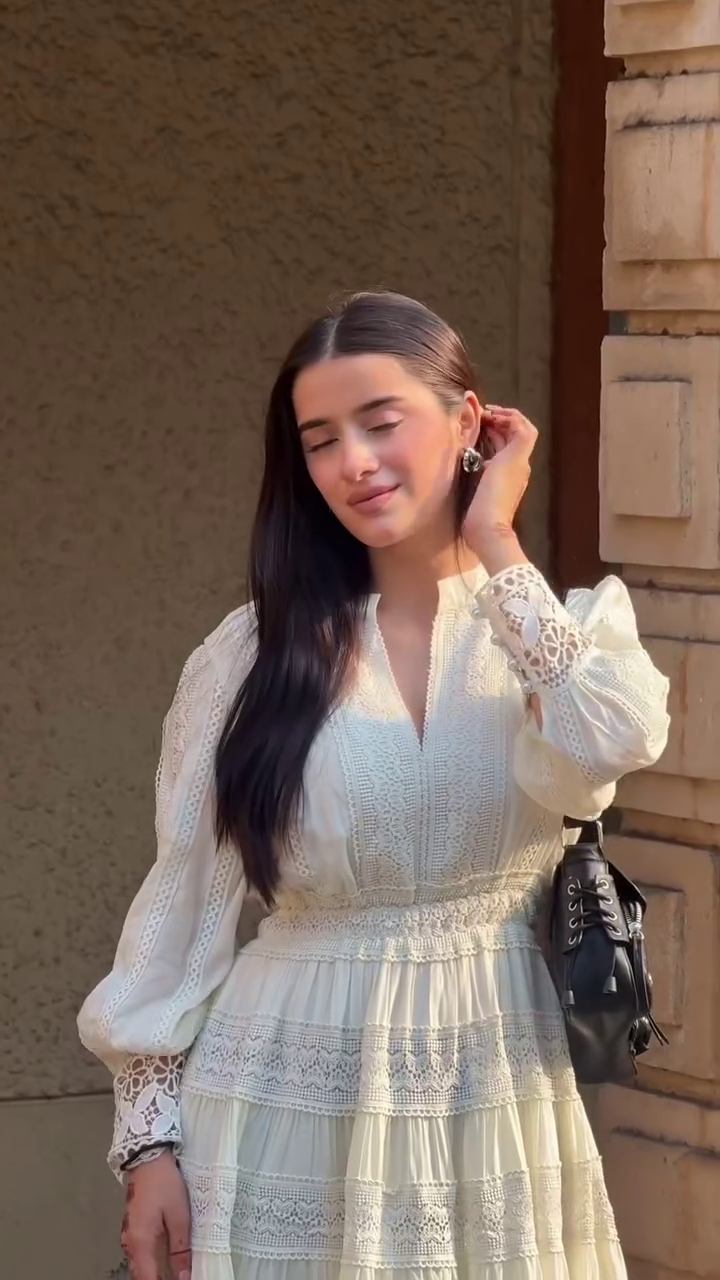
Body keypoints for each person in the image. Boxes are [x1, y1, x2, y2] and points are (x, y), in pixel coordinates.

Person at [78, 291, 670, 1280]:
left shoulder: (554, 634)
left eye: (380, 422)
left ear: (468, 421)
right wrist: (150, 1147)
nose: (352, 461)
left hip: (494, 1086)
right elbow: (177, 912)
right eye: (319, 440)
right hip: (279, 1093)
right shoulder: (250, 655)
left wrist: (499, 543)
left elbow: (611, 735)